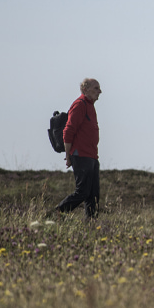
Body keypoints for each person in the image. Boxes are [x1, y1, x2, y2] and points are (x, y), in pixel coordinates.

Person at [56, 78, 102, 218]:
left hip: (92, 156)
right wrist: (69, 155)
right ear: (85, 89)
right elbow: (68, 131)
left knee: (93, 194)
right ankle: (58, 213)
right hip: (81, 155)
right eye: (96, 88)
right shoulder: (79, 104)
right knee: (82, 192)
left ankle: (91, 223)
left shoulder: (90, 106)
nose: (99, 91)